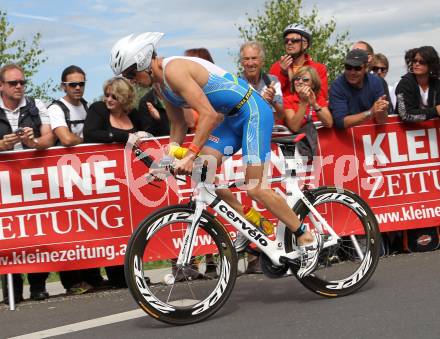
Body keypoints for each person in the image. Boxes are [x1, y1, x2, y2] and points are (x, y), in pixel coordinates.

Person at [110, 32, 322, 278]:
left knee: (256, 187)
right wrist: (167, 159)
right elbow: (178, 124)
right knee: (203, 174)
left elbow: (208, 115)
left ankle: (306, 237)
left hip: (252, 111)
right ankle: (252, 224)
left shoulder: (174, 71)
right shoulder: (160, 86)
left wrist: (189, 154)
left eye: (130, 73)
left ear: (144, 61)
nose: (130, 80)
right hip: (232, 120)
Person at [84, 77, 150, 287]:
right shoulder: (98, 109)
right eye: (107, 94)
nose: (109, 99)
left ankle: (133, 272)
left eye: (114, 96)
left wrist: (153, 123)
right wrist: (123, 136)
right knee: (114, 226)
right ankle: (116, 275)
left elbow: (149, 133)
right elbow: (91, 134)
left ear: (125, 99)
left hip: (133, 179)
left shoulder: (133, 114)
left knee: (133, 226)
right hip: (107, 180)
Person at [0, 64, 56, 304]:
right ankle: (12, 290)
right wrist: (2, 146)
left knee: (36, 230)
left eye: (22, 82)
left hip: (32, 178)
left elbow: (49, 136)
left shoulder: (36, 104)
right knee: (8, 234)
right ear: (1, 85)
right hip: (4, 181)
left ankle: (38, 285)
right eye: (13, 83)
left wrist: (34, 143)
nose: (19, 86)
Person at [48, 65, 105, 294]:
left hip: (87, 175)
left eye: (81, 83)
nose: (78, 88)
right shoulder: (57, 108)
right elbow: (66, 139)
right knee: (68, 229)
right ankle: (71, 281)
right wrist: (89, 139)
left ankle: (93, 275)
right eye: (73, 84)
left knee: (91, 226)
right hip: (63, 177)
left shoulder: (87, 106)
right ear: (64, 86)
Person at [238, 41, 284, 274]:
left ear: (262, 61)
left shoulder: (272, 82)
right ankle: (253, 250)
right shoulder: (236, 83)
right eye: (246, 59)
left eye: (254, 58)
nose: (250, 63)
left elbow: (284, 115)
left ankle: (281, 240)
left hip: (263, 143)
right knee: (247, 194)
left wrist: (273, 100)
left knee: (260, 191)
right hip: (239, 142)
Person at [329, 49, 389, 129]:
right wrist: (370, 113)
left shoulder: (376, 82)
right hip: (346, 138)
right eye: (348, 67)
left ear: (366, 68)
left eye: (357, 68)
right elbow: (340, 122)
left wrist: (381, 110)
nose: (352, 72)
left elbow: (382, 121)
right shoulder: (337, 86)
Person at [269, 24, 328, 102]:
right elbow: (272, 96)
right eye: (286, 41)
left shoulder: (319, 68)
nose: (289, 43)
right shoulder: (276, 67)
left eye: (294, 40)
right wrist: (283, 74)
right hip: (283, 112)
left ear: (305, 44)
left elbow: (321, 98)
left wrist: (292, 79)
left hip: (308, 112)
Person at [395, 46, 440, 122]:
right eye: (414, 61)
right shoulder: (404, 84)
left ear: (431, 64)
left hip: (432, 132)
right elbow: (405, 115)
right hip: (405, 132)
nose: (417, 64)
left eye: (422, 62)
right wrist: (435, 111)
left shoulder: (437, 84)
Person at [284, 66, 333, 132]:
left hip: (319, 139)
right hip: (299, 140)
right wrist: (304, 103)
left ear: (313, 84)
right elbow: (294, 128)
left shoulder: (319, 99)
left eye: (305, 80)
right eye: (297, 79)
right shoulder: (287, 100)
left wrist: (314, 104)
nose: (300, 82)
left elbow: (329, 124)